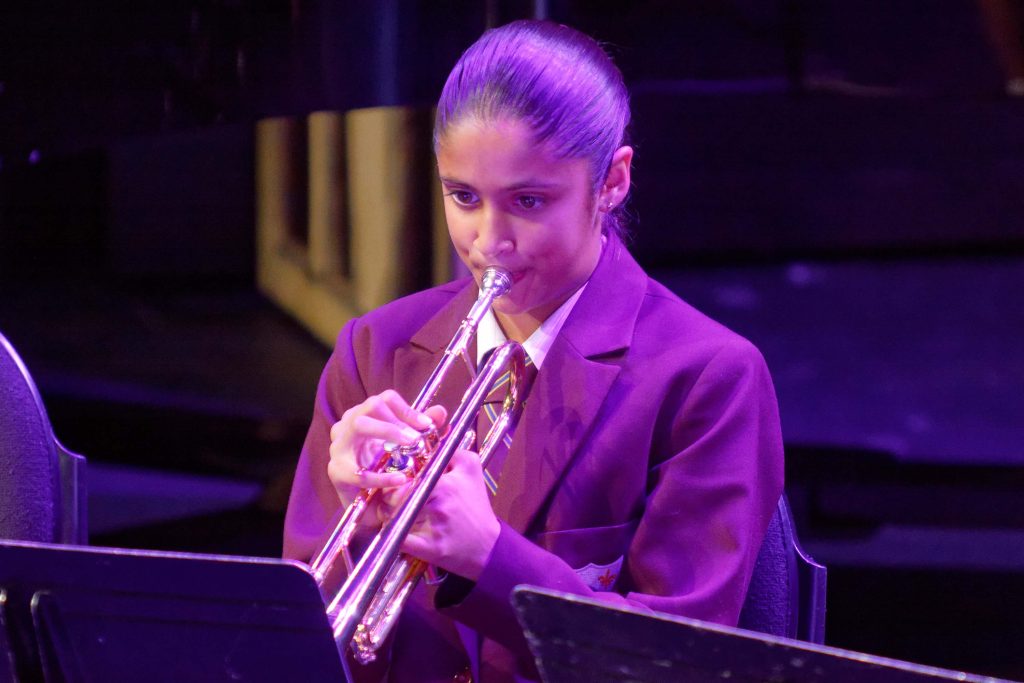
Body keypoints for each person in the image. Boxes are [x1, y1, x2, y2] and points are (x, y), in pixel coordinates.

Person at [283, 19, 784, 683]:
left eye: (528, 200)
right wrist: (361, 530)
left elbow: (677, 665)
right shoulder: (373, 348)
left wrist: (491, 556)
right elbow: (298, 648)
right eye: (463, 196)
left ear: (612, 181)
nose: (489, 239)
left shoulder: (705, 378)